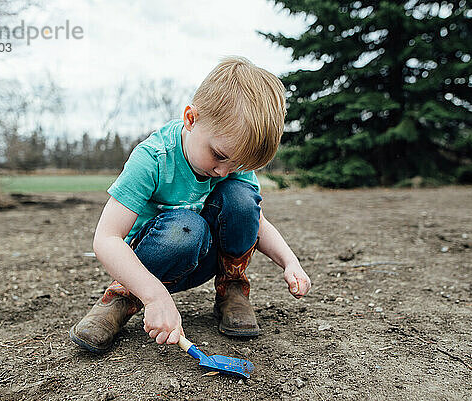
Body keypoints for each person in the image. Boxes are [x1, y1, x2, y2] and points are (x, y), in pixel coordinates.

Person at [69, 56, 311, 353]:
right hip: (152, 262)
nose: (223, 171)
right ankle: (123, 297)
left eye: (238, 164)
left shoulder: (230, 164)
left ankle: (232, 288)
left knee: (241, 198)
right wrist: (154, 295)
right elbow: (106, 239)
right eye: (220, 156)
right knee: (187, 227)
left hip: (206, 256)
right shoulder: (153, 158)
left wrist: (290, 261)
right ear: (191, 119)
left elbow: (254, 220)